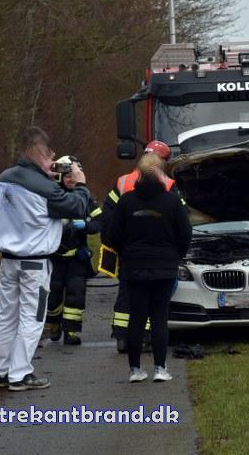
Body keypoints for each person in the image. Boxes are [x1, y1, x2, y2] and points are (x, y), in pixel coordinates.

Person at [0, 126, 89, 391]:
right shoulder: (45, 188)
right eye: (49, 153)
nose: (53, 157)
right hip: (35, 263)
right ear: (37, 151)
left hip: (8, 261)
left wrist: (46, 176)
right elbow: (78, 207)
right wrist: (80, 183)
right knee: (32, 318)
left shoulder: (4, 178)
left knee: (6, 315)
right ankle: (20, 374)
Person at [107, 152, 192, 383]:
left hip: (134, 267)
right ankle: (160, 368)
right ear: (160, 174)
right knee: (159, 318)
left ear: (139, 174)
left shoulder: (126, 201)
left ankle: (135, 370)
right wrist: (176, 255)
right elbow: (185, 234)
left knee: (136, 317)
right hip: (165, 266)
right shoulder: (172, 201)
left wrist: (127, 254)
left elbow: (114, 235)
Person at [100, 140, 179, 353]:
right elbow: (180, 220)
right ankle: (144, 337)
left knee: (126, 292)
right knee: (151, 296)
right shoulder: (168, 184)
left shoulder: (122, 182)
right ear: (163, 161)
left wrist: (115, 244)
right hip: (158, 252)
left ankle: (121, 336)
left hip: (129, 251)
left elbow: (108, 218)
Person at [45, 156, 103, 345]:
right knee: (52, 294)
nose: (71, 179)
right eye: (67, 176)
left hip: (77, 257)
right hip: (54, 256)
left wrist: (85, 225)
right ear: (59, 177)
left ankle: (70, 331)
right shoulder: (53, 196)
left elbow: (99, 222)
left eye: (73, 176)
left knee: (76, 294)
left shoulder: (85, 197)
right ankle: (54, 322)